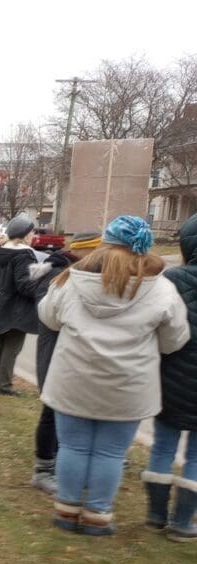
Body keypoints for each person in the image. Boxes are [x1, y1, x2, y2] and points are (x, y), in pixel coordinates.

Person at [39, 216, 189, 536]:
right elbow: (174, 339)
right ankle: (97, 514)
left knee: (73, 447)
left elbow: (49, 319)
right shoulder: (161, 288)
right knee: (111, 452)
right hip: (129, 385)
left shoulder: (72, 279)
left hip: (73, 379)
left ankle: (67, 509)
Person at [26, 233, 101, 494]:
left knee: (68, 413)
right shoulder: (59, 273)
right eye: (98, 250)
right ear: (87, 250)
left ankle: (61, 463)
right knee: (52, 410)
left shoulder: (80, 272)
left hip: (69, 352)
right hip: (55, 350)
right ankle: (44, 469)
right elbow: (49, 314)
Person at [141, 212, 197, 541]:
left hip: (171, 377)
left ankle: (155, 515)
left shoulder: (172, 280)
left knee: (163, 446)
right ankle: (183, 522)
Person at [0, 216, 40, 396]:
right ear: (24, 234)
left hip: (1, 303)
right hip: (16, 308)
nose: (33, 234)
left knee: (1, 343)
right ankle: (4, 385)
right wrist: (40, 281)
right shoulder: (24, 254)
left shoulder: (2, 251)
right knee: (12, 347)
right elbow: (24, 284)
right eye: (32, 231)